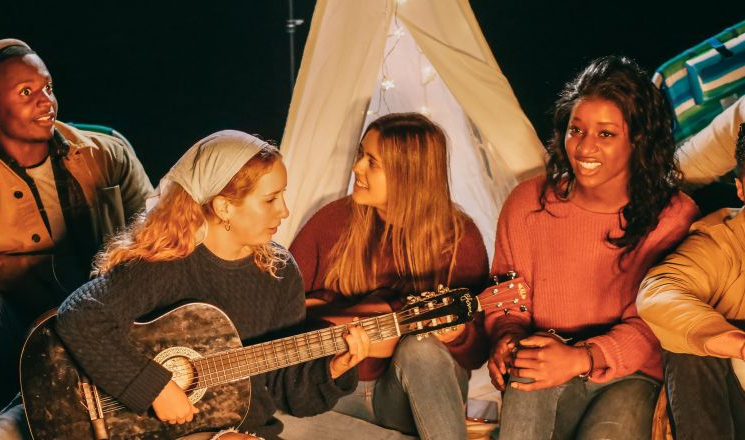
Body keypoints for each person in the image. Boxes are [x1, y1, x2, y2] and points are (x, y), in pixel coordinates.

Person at [53, 131, 371, 440]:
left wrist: (331, 368)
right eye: (271, 199)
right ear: (224, 207)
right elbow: (80, 316)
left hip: (244, 432)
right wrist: (155, 388)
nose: (284, 211)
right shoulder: (165, 263)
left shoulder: (281, 272)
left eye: (282, 195)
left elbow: (285, 392)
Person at [0, 38, 153, 439]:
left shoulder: (106, 156)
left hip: (99, 333)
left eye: (48, 88)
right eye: (27, 93)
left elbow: (155, 236)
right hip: (13, 338)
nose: (46, 102)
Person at [484, 55, 700, 439]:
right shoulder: (526, 204)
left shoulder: (672, 217)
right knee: (527, 368)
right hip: (544, 360)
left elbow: (658, 324)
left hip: (628, 375)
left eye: (605, 134)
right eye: (576, 130)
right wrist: (505, 339)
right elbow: (506, 300)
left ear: (637, 139)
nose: (584, 148)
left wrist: (582, 358)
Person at [289, 112, 490, 439]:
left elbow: (478, 353)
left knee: (420, 349)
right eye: (360, 155)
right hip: (336, 392)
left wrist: (457, 336)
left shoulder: (459, 238)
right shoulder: (331, 221)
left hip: (406, 396)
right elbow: (285, 313)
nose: (357, 168)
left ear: (407, 174)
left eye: (372, 162)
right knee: (269, 415)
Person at [636, 122, 745, 439]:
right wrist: (734, 343)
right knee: (690, 345)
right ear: (740, 188)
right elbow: (660, 290)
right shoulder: (720, 243)